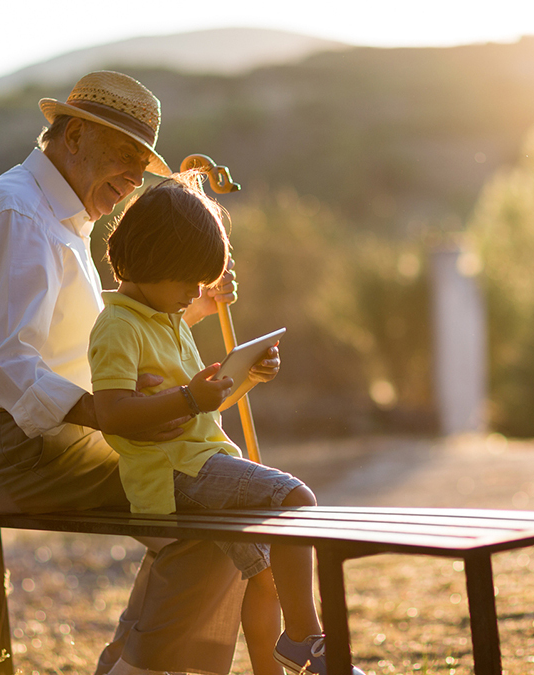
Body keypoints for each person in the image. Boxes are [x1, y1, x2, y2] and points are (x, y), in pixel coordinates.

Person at [0, 70, 247, 675]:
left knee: (216, 509)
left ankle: (134, 666)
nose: (135, 179)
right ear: (74, 136)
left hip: (44, 441)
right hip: (16, 449)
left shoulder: (53, 215)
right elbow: (10, 361)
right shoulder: (18, 213)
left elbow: (94, 334)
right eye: (127, 156)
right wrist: (105, 413)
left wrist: (193, 307)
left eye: (143, 163)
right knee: (214, 509)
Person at [90, 174, 364, 675]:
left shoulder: (166, 320)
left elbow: (200, 409)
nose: (196, 293)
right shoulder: (118, 328)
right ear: (149, 264)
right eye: (188, 282)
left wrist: (246, 378)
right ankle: (305, 637)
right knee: (296, 499)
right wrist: (189, 396)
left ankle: (275, 666)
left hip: (198, 462)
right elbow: (110, 414)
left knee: (263, 578)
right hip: (173, 474)